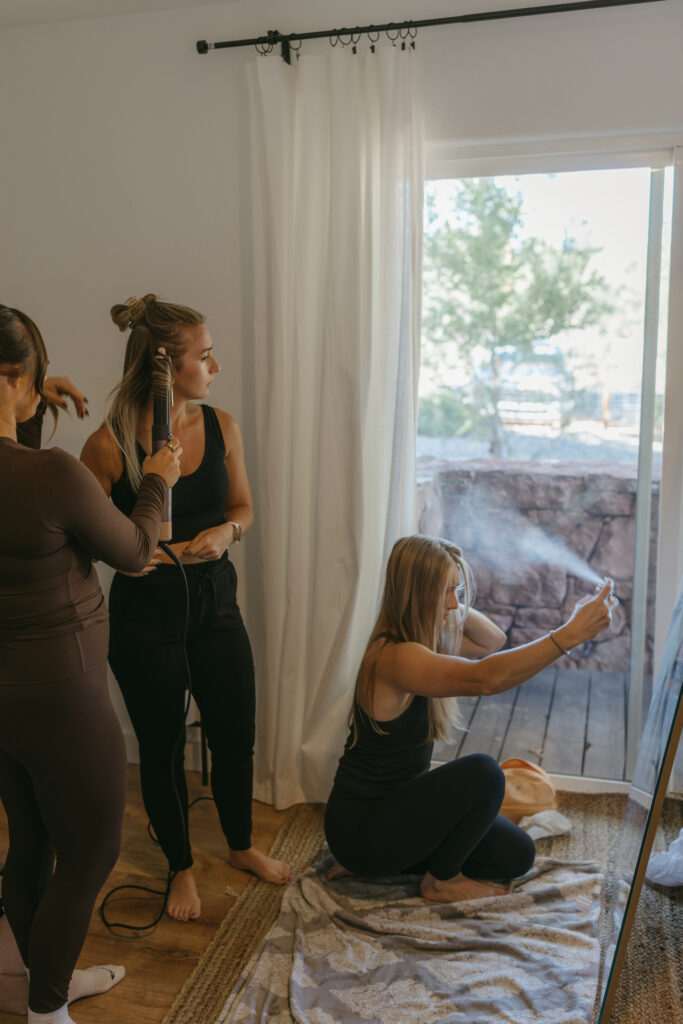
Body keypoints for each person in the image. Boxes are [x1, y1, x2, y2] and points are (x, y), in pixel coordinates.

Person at [80, 294, 291, 924]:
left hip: (215, 600)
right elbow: (83, 536)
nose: (216, 365)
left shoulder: (223, 426)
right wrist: (126, 554)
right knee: (162, 743)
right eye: (205, 356)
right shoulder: (109, 444)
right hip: (146, 613)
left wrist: (228, 535)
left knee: (235, 730)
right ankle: (180, 866)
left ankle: (241, 844)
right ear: (165, 368)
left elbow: (244, 509)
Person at [0, 304, 182, 1024]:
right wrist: (159, 476)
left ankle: (43, 981)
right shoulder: (52, 474)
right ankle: (47, 1010)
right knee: (90, 853)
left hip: (4, 697)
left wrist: (31, 406)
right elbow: (137, 554)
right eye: (32, 379)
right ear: (12, 377)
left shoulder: (35, 471)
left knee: (31, 843)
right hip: (62, 697)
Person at [324, 534, 616, 902]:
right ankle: (441, 880)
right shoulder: (396, 657)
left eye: (457, 591)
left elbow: (492, 641)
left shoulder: (423, 640)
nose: (453, 604)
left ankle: (389, 863)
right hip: (362, 828)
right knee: (484, 774)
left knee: (517, 854)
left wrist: (449, 599)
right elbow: (487, 678)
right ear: (416, 593)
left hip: (398, 815)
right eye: (445, 592)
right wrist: (570, 634)